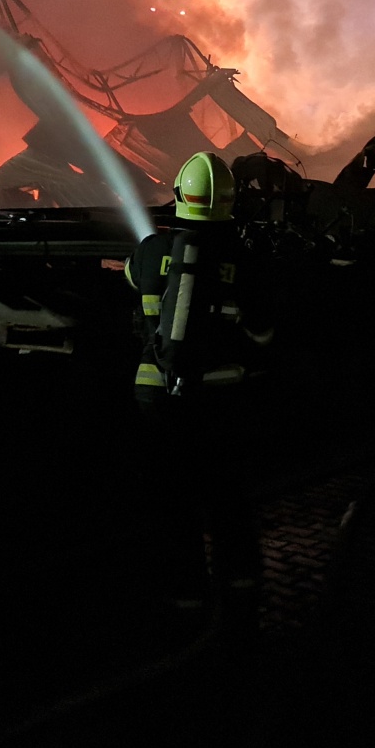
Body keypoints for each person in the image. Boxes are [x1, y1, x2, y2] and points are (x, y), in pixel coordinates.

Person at [125, 151, 272, 621]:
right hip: (220, 400)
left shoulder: (150, 248)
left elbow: (132, 279)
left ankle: (183, 596)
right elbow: (263, 334)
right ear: (230, 201)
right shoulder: (243, 260)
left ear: (178, 195)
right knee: (227, 498)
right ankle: (241, 590)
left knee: (172, 501)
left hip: (156, 397)